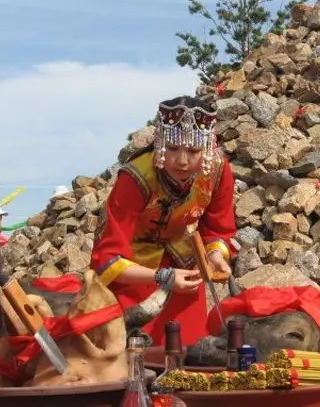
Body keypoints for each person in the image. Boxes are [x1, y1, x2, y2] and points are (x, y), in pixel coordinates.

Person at [91, 95, 236, 346]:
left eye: (193, 151)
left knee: (187, 351)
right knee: (133, 352)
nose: (181, 160)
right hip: (134, 272)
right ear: (159, 143)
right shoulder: (135, 178)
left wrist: (214, 257)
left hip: (187, 268)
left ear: (209, 147)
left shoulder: (218, 171)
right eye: (171, 148)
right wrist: (162, 278)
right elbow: (108, 256)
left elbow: (217, 227)